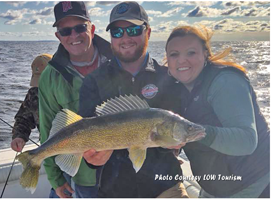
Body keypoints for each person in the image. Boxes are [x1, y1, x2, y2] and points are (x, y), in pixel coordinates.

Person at [79, 2, 188, 198]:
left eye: (133, 30)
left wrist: (175, 144)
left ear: (148, 32)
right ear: (111, 38)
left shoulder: (170, 78)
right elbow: (86, 135)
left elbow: (180, 130)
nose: (125, 38)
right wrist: (91, 158)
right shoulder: (93, 82)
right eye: (117, 32)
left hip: (165, 187)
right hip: (113, 191)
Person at [165, 25, 270, 198]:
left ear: (205, 54)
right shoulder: (178, 88)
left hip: (252, 183)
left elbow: (247, 141)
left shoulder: (225, 81)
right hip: (215, 185)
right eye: (174, 54)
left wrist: (192, 133)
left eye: (191, 52)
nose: (182, 60)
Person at [39, 1, 113, 198]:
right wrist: (56, 180)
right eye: (65, 31)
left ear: (92, 28)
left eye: (80, 28)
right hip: (81, 178)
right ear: (58, 36)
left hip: (121, 172)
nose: (74, 36)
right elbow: (47, 129)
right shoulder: (50, 76)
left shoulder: (117, 61)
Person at [11, 53, 52, 152]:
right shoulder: (34, 93)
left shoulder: (70, 91)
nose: (41, 87)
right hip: (47, 147)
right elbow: (24, 119)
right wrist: (19, 137)